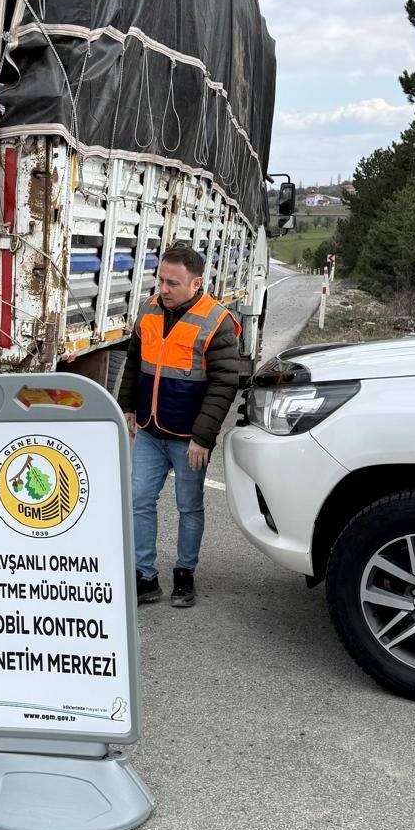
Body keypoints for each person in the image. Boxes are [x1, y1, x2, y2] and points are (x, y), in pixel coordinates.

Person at [118, 243, 243, 608]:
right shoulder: (149, 310)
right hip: (150, 432)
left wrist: (202, 438)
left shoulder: (216, 321)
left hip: (189, 439)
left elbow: (224, 385)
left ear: (196, 283)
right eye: (161, 280)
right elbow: (133, 363)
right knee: (139, 500)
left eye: (173, 283)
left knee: (189, 507)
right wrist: (127, 405)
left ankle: (184, 574)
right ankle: (146, 577)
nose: (164, 289)